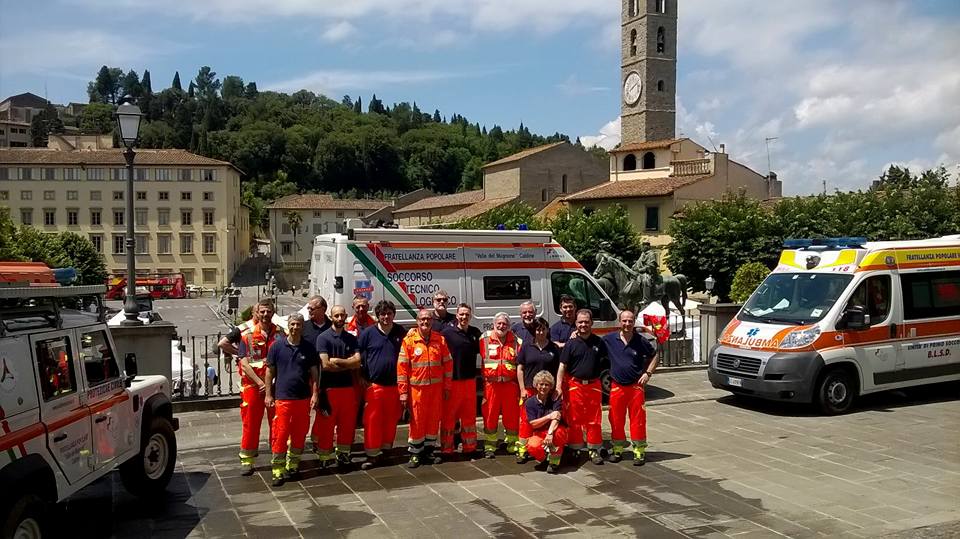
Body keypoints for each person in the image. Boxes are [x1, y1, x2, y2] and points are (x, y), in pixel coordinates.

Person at [264, 313, 320, 486]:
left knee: (300, 433)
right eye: (293, 324)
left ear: (303, 327)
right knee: (280, 434)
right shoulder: (276, 347)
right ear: (288, 326)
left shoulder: (308, 348)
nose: (296, 327)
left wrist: (315, 394)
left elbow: (314, 373)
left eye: (299, 325)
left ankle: (293, 464)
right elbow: (269, 372)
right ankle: (278, 469)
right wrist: (268, 394)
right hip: (283, 398)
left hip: (302, 398)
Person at [398, 308, 453, 467]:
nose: (425, 322)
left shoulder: (440, 340)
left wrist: (447, 386)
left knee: (433, 420)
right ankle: (415, 453)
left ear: (432, 321)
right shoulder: (409, 341)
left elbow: (448, 363)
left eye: (428, 319)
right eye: (422, 319)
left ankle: (428, 450)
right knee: (417, 421)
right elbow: (402, 368)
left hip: (436, 389)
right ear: (417, 321)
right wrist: (403, 392)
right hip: (417, 390)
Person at [602, 309, 657, 466]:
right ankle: (618, 448)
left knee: (638, 420)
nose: (627, 324)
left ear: (634, 322)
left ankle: (639, 451)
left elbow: (655, 355)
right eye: (624, 321)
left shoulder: (641, 341)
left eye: (630, 321)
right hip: (617, 386)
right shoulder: (609, 339)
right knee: (615, 419)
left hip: (635, 387)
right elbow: (591, 342)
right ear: (619, 322)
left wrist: (648, 373)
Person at [236, 300, 285, 475]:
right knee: (250, 423)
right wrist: (260, 383)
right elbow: (244, 364)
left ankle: (277, 455)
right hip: (253, 386)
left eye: (268, 312)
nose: (265, 315)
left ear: (273, 312)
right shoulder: (246, 335)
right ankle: (247, 460)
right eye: (262, 312)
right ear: (257, 313)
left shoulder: (281, 334)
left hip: (275, 385)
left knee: (277, 422)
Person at [357, 300, 407, 470]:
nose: (386, 317)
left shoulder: (401, 332)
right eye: (382, 314)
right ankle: (372, 454)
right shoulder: (368, 333)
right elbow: (359, 356)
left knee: (391, 419)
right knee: (372, 420)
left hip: (395, 385)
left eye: (389, 314)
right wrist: (361, 376)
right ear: (377, 316)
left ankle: (386, 450)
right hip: (375, 385)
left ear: (394, 314)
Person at [313, 305, 362, 469]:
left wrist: (339, 362)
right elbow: (326, 365)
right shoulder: (323, 338)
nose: (340, 319)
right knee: (327, 424)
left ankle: (343, 454)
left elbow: (357, 362)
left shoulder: (351, 338)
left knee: (347, 424)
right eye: (337, 316)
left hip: (347, 388)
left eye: (342, 315)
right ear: (331, 317)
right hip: (329, 388)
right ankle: (325, 456)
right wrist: (348, 364)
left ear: (346, 316)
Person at [556, 309, 607, 465]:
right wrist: (558, 386)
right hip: (575, 386)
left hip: (594, 386)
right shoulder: (570, 344)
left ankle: (594, 449)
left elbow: (608, 362)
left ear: (591, 323)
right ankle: (575, 448)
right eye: (580, 322)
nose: (583, 325)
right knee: (574, 419)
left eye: (586, 322)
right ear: (576, 324)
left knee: (594, 419)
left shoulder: (599, 342)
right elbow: (562, 366)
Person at [515, 317, 560, 463]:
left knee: (547, 419)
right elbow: (520, 368)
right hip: (530, 389)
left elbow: (560, 369)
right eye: (538, 329)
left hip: (548, 390)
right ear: (534, 331)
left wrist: (557, 388)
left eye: (543, 329)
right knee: (525, 421)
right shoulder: (527, 347)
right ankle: (522, 450)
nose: (540, 332)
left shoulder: (553, 348)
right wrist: (522, 389)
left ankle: (544, 447)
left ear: (547, 330)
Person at [440, 304, 482, 456]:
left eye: (467, 315)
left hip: (469, 381)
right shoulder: (447, 333)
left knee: (469, 417)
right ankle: (446, 448)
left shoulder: (475, 333)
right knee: (449, 417)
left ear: (470, 316)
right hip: (453, 381)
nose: (464, 317)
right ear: (456, 315)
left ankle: (469, 448)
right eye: (461, 314)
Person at [480, 312, 521, 459]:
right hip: (492, 385)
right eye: (499, 323)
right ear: (494, 324)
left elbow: (520, 365)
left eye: (504, 324)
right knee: (490, 415)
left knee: (512, 416)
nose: (501, 326)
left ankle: (512, 443)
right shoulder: (483, 339)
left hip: (510, 385)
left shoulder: (517, 341)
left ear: (509, 326)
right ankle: (490, 446)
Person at [523, 371, 567, 474]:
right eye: (541, 384)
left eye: (547, 384)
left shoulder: (555, 399)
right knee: (532, 446)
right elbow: (533, 423)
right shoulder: (530, 402)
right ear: (536, 385)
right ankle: (545, 458)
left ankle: (554, 462)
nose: (543, 387)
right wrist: (548, 416)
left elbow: (557, 417)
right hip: (539, 432)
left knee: (559, 434)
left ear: (551, 386)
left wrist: (550, 433)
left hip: (554, 430)